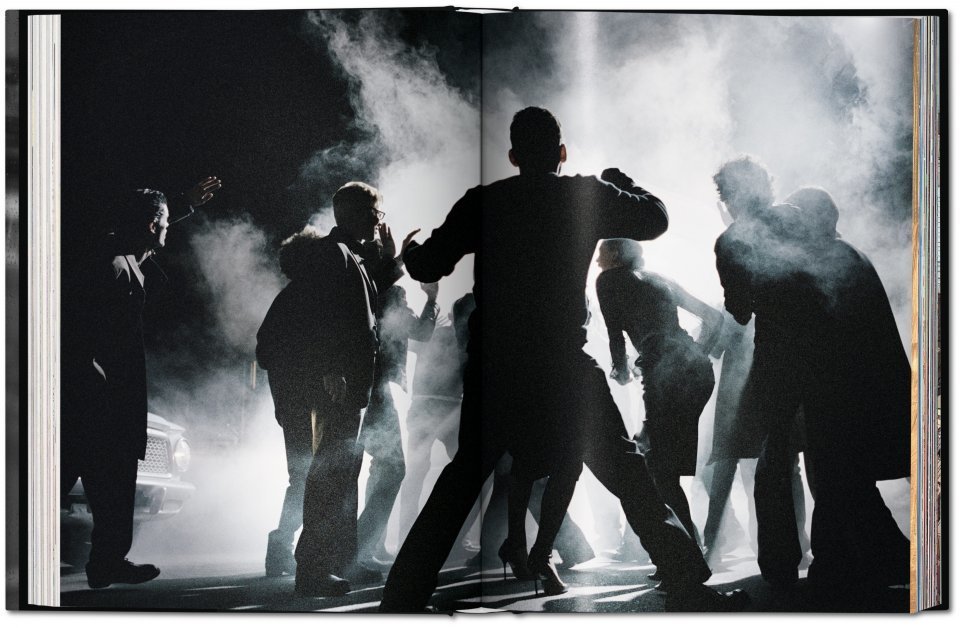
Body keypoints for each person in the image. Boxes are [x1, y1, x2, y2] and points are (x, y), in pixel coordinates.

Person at [380, 107, 747, 612]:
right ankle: (686, 581)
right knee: (625, 470)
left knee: (463, 479)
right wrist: (621, 182)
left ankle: (403, 595)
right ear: (561, 152)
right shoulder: (584, 194)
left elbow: (427, 265)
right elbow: (655, 219)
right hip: (562, 361)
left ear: (513, 156)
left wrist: (411, 248)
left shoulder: (483, 202)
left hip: (498, 365)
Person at [61, 176, 221, 589]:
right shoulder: (111, 265)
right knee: (83, 478)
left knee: (110, 482)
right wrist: (97, 387)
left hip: (105, 398)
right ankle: (102, 561)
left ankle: (107, 561)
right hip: (97, 400)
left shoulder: (125, 256)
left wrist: (182, 204)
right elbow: (80, 334)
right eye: (164, 222)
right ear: (152, 225)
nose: (168, 229)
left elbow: (144, 233)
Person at [256, 181, 411, 596]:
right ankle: (312, 568)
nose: (379, 221)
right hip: (338, 387)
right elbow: (322, 317)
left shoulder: (348, 254)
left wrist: (393, 259)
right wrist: (330, 367)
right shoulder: (333, 254)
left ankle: (340, 561)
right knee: (329, 477)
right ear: (357, 214)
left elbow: (365, 298)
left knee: (342, 475)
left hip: (350, 387)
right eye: (375, 214)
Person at [781, 187, 910, 601]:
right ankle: (855, 563)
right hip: (858, 390)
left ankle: (845, 567)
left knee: (839, 479)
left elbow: (823, 332)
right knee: (845, 482)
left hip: (844, 392)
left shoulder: (829, 259)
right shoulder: (846, 254)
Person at [713, 156, 812, 586]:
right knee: (818, 453)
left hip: (775, 354)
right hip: (821, 347)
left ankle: (780, 560)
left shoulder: (731, 240)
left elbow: (739, 310)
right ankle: (827, 548)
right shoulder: (795, 217)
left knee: (776, 458)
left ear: (729, 196)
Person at [595, 238, 721, 547]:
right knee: (661, 464)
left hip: (664, 377)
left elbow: (615, 334)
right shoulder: (659, 278)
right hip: (698, 375)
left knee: (660, 470)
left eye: (601, 253)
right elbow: (714, 317)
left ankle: (687, 553)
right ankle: (685, 546)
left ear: (614, 254)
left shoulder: (608, 280)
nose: (597, 260)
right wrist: (699, 353)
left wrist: (621, 370)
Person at [357, 282, 439, 568]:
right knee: (392, 468)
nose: (407, 307)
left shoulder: (371, 303)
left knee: (379, 469)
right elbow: (423, 331)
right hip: (380, 393)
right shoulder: (394, 305)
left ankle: (370, 545)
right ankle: (361, 547)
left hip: (369, 390)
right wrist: (432, 299)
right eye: (404, 302)